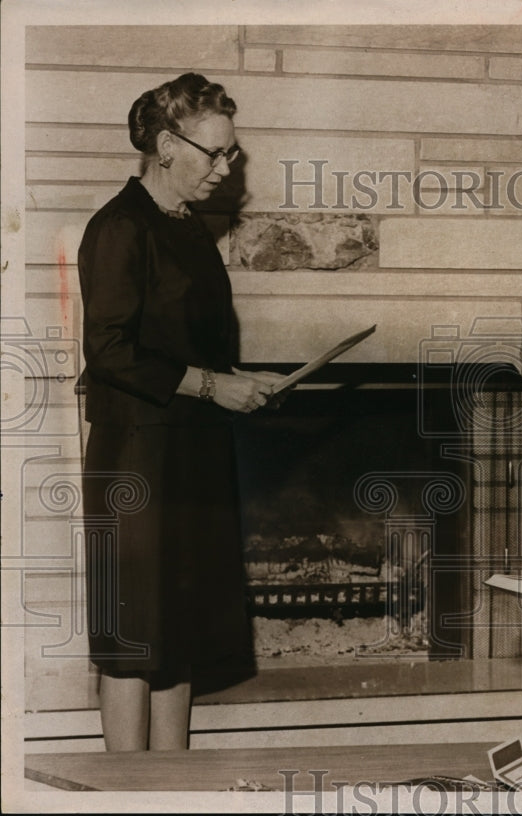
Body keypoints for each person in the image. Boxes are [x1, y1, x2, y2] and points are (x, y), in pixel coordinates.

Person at [78, 72, 284, 751]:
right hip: (136, 461)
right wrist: (208, 386)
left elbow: (187, 343)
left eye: (231, 155)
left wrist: (236, 380)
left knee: (179, 636)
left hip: (191, 455)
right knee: (135, 641)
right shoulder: (118, 228)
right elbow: (108, 351)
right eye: (214, 153)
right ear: (167, 146)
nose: (226, 169)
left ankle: (173, 788)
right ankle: (126, 797)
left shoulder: (189, 230)